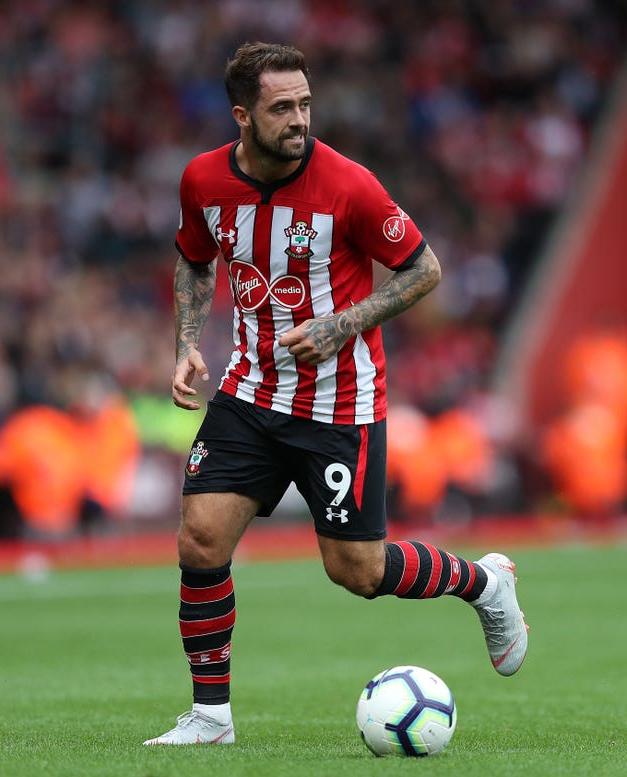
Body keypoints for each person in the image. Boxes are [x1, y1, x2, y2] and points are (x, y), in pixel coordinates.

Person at [143, 42, 528, 747]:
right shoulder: (201, 179)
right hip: (249, 392)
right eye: (282, 108)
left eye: (305, 104)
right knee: (199, 538)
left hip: (339, 402)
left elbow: (424, 269)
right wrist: (187, 343)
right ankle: (210, 718)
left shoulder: (349, 185)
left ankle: (484, 583)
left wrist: (341, 323)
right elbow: (196, 260)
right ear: (242, 115)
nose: (299, 119)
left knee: (358, 569)